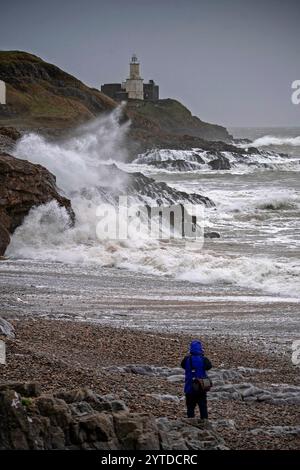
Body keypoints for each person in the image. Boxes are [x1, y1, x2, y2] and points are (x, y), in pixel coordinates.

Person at [181, 340, 212, 419]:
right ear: (200, 349)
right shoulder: (204, 359)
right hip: (201, 386)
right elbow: (209, 366)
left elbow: (183, 366)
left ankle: (191, 422)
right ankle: (204, 423)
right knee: (203, 407)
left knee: (190, 407)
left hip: (189, 387)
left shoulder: (186, 359)